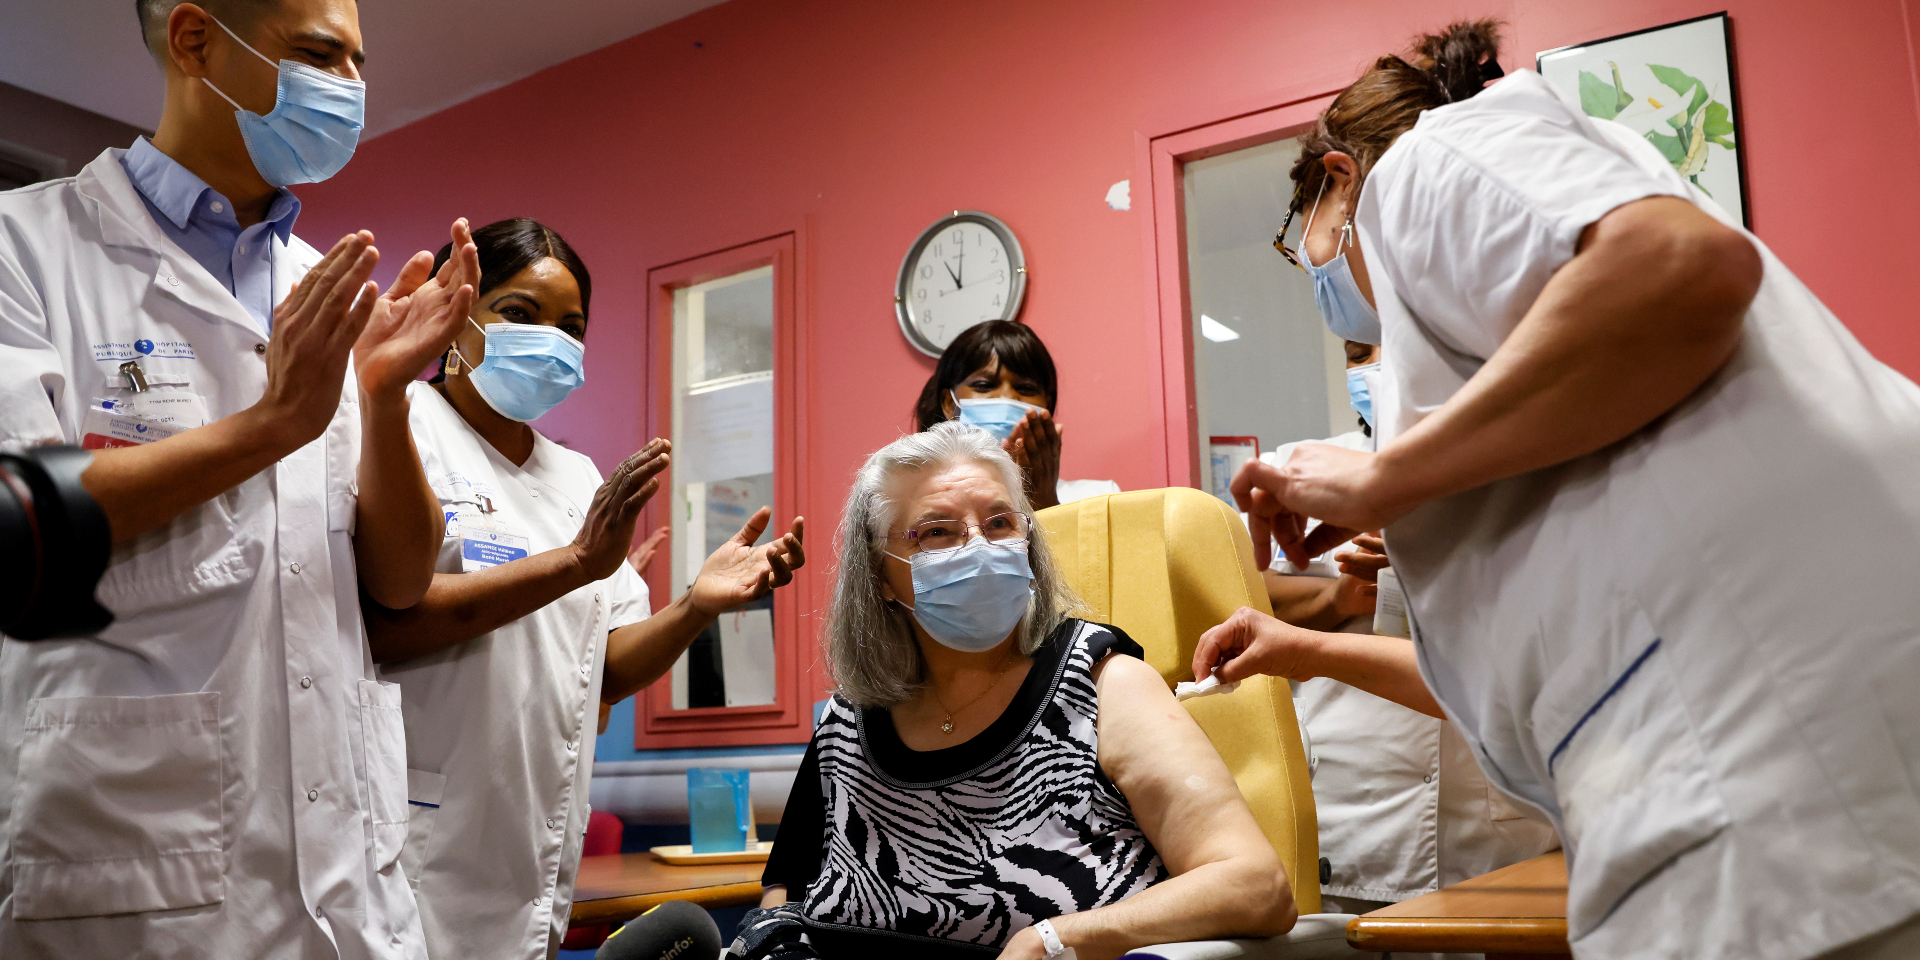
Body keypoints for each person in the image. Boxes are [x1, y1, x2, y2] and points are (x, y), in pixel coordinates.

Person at [1202, 18, 1920, 960]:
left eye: (1311, 243)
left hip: (1779, 776)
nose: (1327, 273)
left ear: (1339, 178)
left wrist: (1382, 479)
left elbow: (1679, 267)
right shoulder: (1524, 381)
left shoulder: (1429, 160)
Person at [0, 1, 475, 957]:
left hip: (354, 881)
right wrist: (273, 425)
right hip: (139, 871)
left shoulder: (332, 286)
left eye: (357, 61)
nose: (348, 88)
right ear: (194, 40)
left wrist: (383, 402)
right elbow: (22, 529)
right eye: (317, 54)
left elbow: (398, 584)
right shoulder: (28, 247)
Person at [364, 218, 806, 960]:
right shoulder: (403, 425)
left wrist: (695, 606)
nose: (552, 341)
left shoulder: (575, 477)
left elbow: (606, 663)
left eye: (572, 326)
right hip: (415, 834)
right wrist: (574, 562)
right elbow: (386, 622)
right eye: (520, 314)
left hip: (531, 837)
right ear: (454, 314)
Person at [737, 421, 1293, 960]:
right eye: (937, 531)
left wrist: (1056, 939)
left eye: (1000, 522)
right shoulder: (848, 720)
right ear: (880, 575)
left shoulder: (1102, 685)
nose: (978, 547)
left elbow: (1256, 886)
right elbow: (782, 900)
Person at [1260, 340, 1557, 931]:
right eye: (1353, 351)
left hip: (1481, 812)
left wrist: (1438, 566)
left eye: (1388, 343)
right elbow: (1241, 594)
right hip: (1350, 799)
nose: (1368, 365)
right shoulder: (1299, 465)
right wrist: (1336, 596)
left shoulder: (1521, 470)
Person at [912, 319, 1118, 509]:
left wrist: (1042, 502)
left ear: (1047, 402)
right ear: (949, 403)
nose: (1009, 397)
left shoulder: (1100, 500)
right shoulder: (920, 504)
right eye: (985, 385)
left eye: (1026, 388)